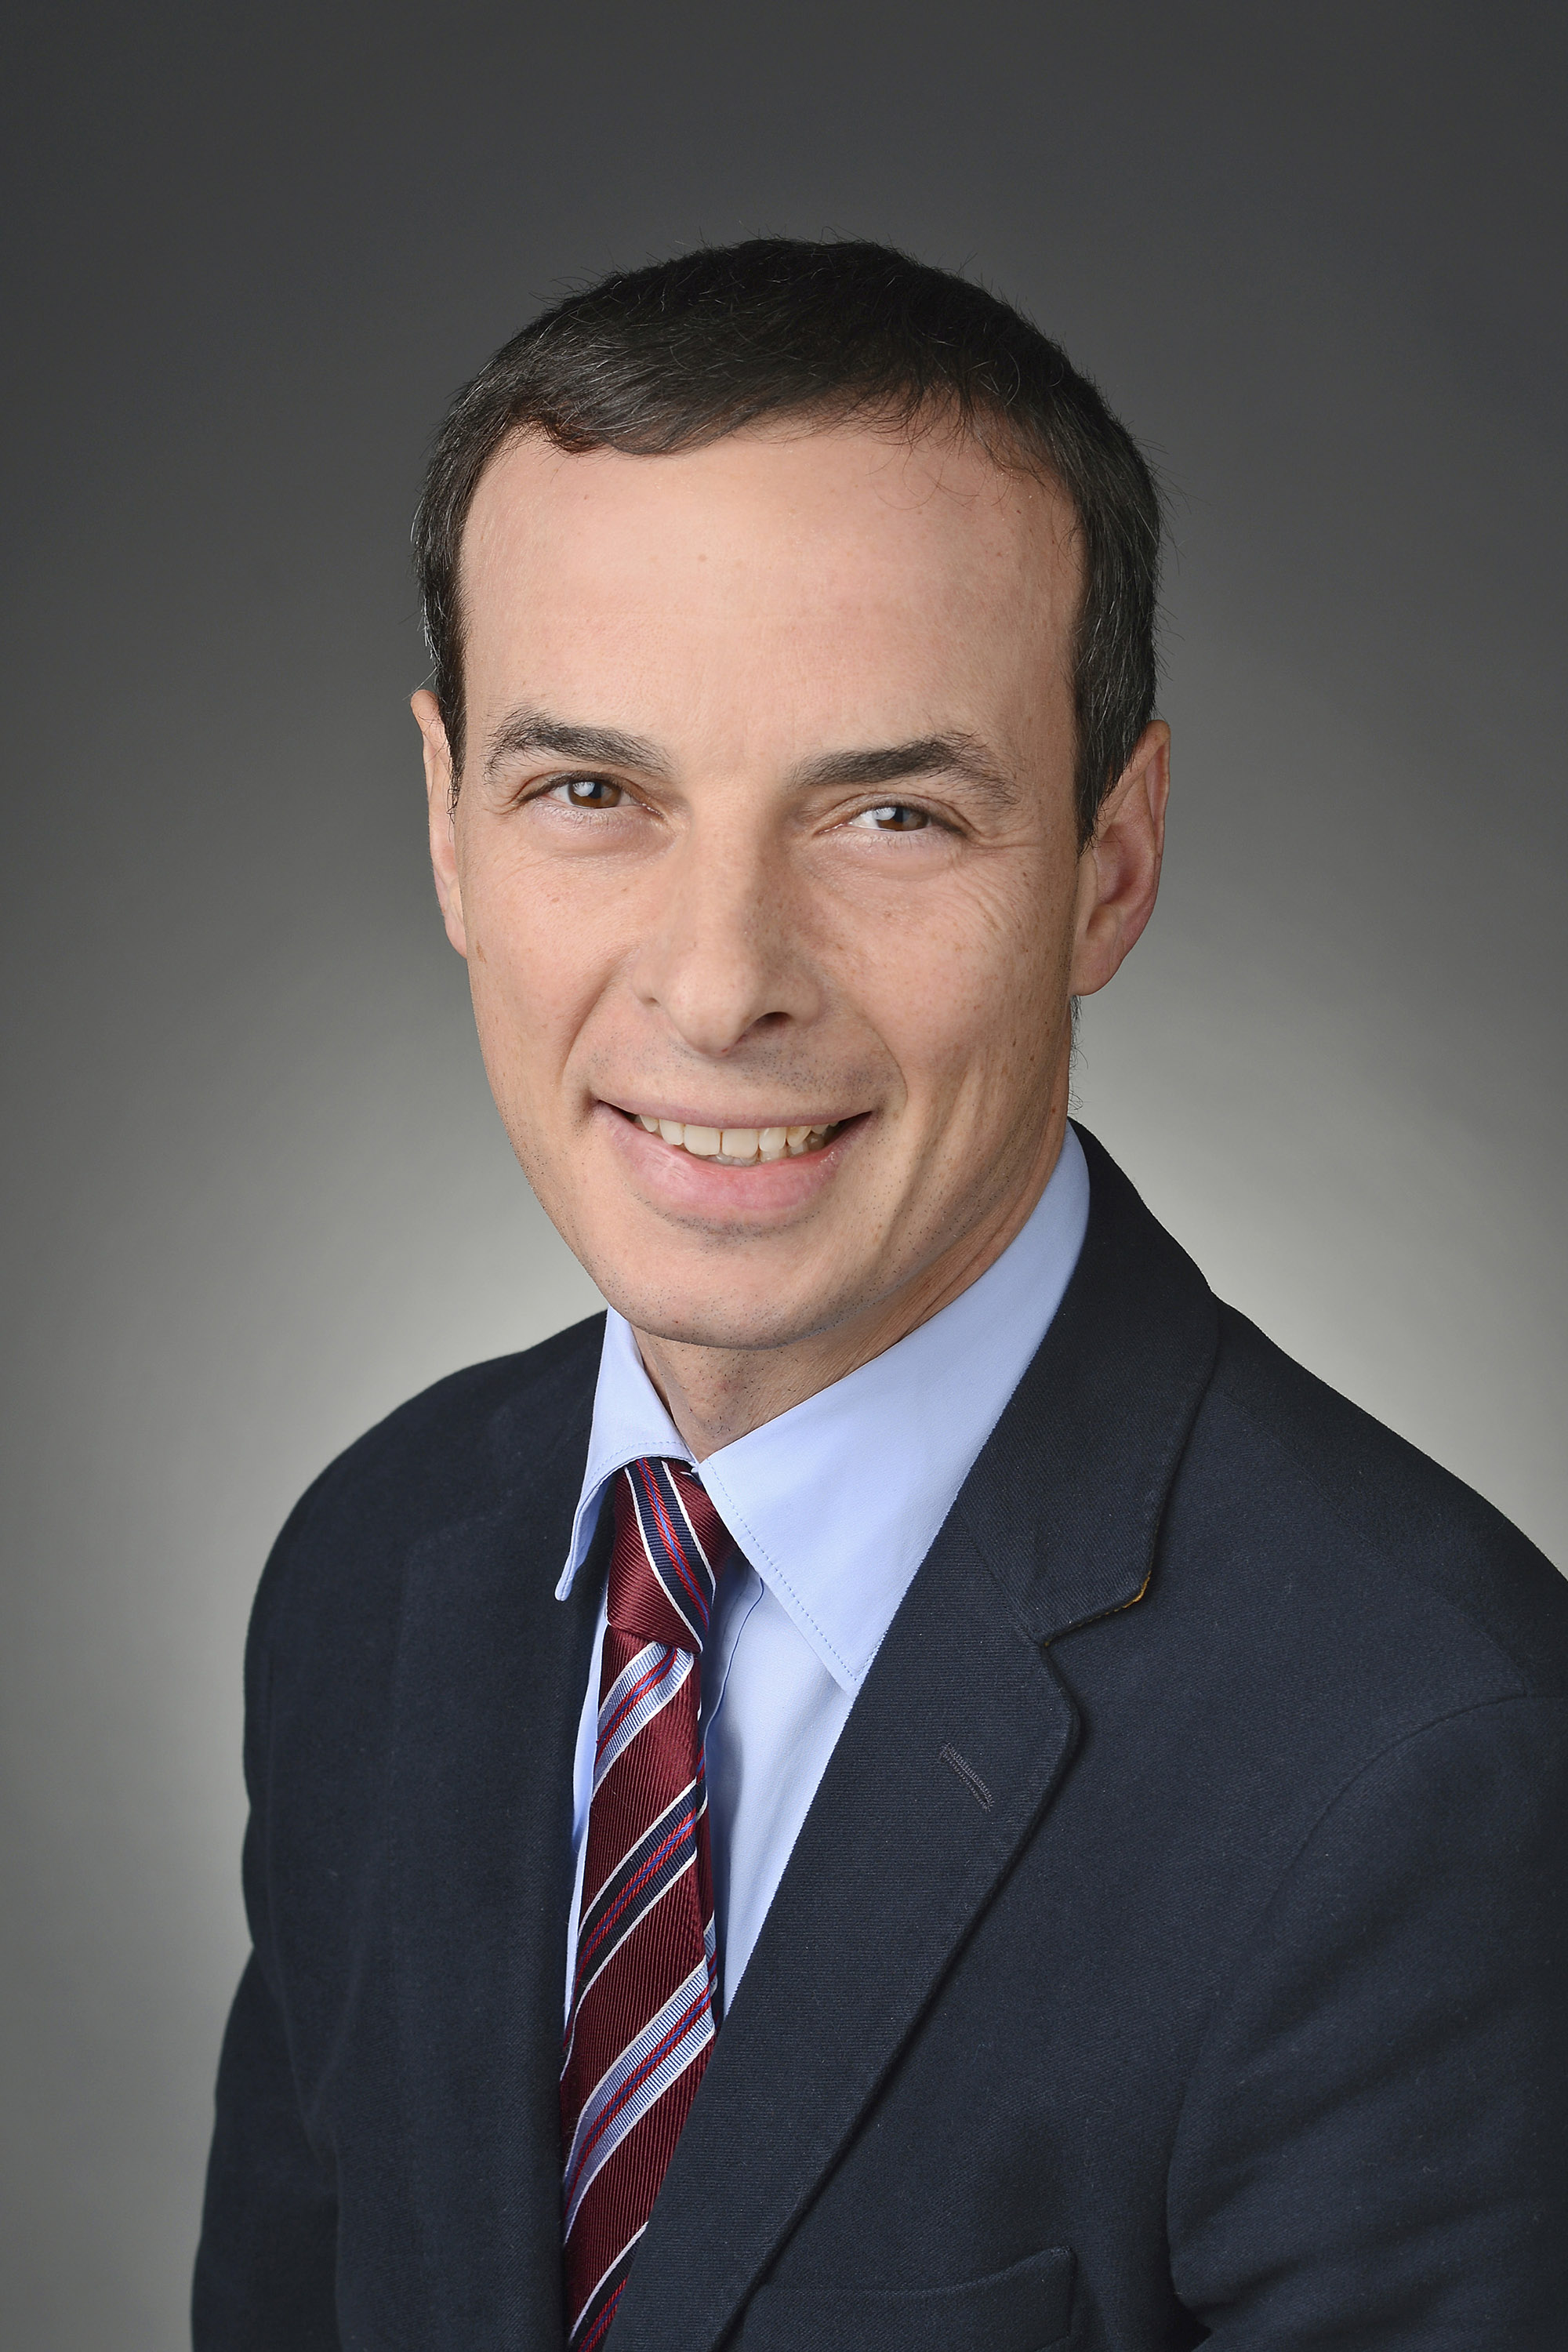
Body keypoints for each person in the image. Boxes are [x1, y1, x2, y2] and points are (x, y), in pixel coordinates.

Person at [192, 240, 1567, 2352]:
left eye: (892, 813)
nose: (719, 980)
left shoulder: (1426, 1765)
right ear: (452, 823)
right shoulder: (374, 1568)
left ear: (1111, 864)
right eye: (592, 792)